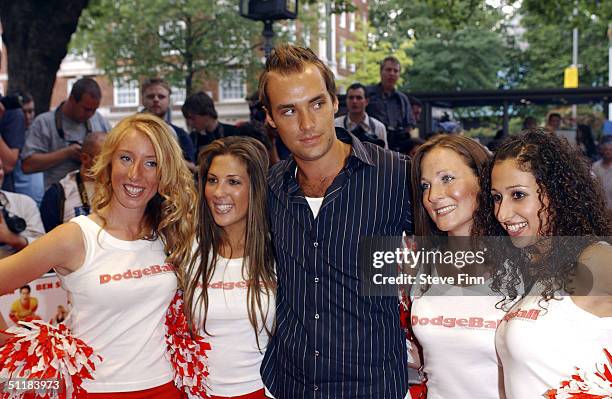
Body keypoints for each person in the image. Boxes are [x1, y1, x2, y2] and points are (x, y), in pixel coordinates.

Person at [0, 113, 196, 397]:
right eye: (126, 158)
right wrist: (15, 345)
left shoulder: (170, 233)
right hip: (94, 389)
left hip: (166, 387)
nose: (135, 174)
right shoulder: (75, 236)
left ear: (164, 172)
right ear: (109, 162)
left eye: (151, 163)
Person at [259, 44, 413, 398]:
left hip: (373, 387)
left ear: (335, 102)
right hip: (289, 385)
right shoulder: (269, 188)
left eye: (316, 104)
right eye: (288, 111)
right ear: (269, 118)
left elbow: (470, 254)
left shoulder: (394, 175)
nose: (307, 124)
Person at [473, 128, 612, 398]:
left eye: (518, 195)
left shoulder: (594, 259)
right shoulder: (540, 265)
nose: (501, 213)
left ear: (557, 194)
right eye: (497, 197)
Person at [409, 134, 505, 398]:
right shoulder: (421, 267)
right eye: (425, 185)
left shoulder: (525, 267)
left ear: (483, 181)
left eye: (447, 179)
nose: (433, 196)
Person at [184, 136, 275, 399]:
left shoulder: (280, 251)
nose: (218, 192)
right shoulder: (187, 249)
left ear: (255, 188)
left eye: (233, 182)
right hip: (198, 393)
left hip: (264, 391)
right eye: (212, 180)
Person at [21, 77, 111, 189]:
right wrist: (67, 153)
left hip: (96, 194)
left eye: (94, 109)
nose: (91, 114)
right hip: (59, 198)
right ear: (72, 99)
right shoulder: (44, 123)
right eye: (86, 109)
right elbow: (27, 165)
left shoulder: (100, 121)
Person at [40, 132, 106, 231]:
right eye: (103, 160)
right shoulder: (59, 193)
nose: (109, 165)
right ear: (85, 158)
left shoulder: (121, 189)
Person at [141, 78, 196, 171]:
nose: (156, 100)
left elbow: (192, 167)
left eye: (161, 96)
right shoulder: (128, 131)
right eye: (150, 96)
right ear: (143, 100)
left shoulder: (180, 134)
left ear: (168, 100)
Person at [366, 56, 415, 151]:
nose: (392, 74)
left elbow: (410, 124)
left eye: (395, 71)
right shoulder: (367, 94)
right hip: (372, 145)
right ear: (381, 72)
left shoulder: (402, 99)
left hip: (397, 148)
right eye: (388, 70)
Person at [0, 157, 44, 259]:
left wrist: (12, 239)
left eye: (0, 168)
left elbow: (45, 250)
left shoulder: (23, 203)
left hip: (21, 271)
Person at [9, 90, 45, 204]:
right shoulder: (9, 136)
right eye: (23, 112)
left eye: (31, 111)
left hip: (40, 199)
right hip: (18, 201)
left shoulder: (39, 132)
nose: (27, 116)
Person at [334, 83, 388, 149]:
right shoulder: (335, 125)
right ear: (346, 100)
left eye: (359, 98)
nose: (354, 101)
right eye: (351, 98)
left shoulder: (379, 127)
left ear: (367, 101)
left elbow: (384, 157)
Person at [592, 135, 612, 211]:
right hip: (599, 208)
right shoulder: (595, 167)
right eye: (606, 149)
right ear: (602, 151)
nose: (608, 152)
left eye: (610, 150)